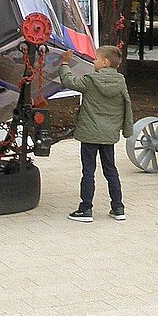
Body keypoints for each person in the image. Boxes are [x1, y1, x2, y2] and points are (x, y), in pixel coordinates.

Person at [60, 45, 134, 222]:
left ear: (105, 62)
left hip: (89, 134)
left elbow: (69, 81)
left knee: (88, 171)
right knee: (111, 170)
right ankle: (118, 207)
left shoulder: (91, 80)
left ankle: (85, 209)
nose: (93, 61)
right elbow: (127, 105)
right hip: (109, 135)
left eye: (96, 58)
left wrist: (64, 63)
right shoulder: (121, 81)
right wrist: (126, 129)